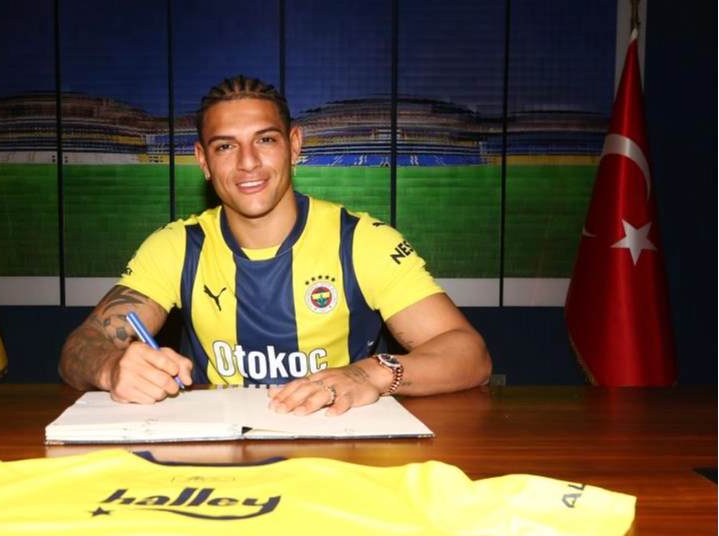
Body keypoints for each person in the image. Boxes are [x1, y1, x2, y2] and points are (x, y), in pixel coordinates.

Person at [59, 75, 491, 416]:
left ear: (294, 145)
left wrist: (369, 374)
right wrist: (111, 367)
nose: (248, 162)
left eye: (265, 140)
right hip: (221, 460)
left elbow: (470, 354)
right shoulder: (177, 246)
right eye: (225, 146)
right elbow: (82, 344)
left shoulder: (362, 241)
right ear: (203, 161)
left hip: (337, 450)